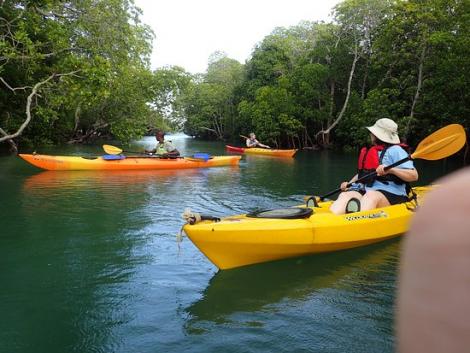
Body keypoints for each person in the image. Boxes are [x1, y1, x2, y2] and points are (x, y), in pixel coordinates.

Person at [396, 168, 470, 353]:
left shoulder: (395, 153)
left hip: (388, 196)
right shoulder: (375, 153)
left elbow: (413, 175)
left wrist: (388, 169)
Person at [329, 118, 418, 215]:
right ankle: (330, 222)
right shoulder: (372, 150)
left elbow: (414, 175)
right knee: (345, 196)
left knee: (371, 197)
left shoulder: (396, 150)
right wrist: (349, 184)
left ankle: (355, 223)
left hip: (393, 194)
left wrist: (392, 170)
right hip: (366, 189)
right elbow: (365, 174)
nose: (371, 134)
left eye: (372, 133)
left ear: (377, 135)